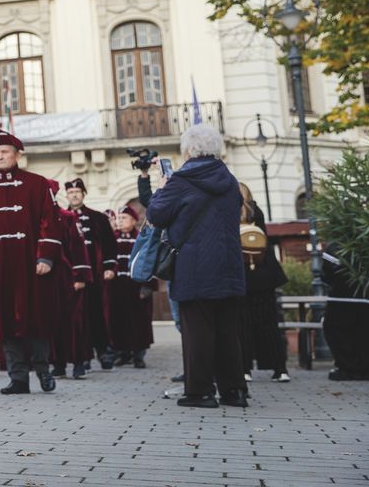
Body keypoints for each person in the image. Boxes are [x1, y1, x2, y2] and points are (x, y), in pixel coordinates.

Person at [146, 124, 246, 408]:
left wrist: (162, 189)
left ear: (188, 150)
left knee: (198, 330)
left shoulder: (181, 180)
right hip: (228, 264)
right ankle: (234, 391)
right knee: (228, 331)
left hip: (194, 266)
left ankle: (200, 392)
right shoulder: (229, 180)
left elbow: (156, 214)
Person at [0, 130, 59, 395]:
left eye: (5, 152)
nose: (0, 156)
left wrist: (46, 256)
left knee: (35, 319)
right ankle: (17, 377)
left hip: (31, 264)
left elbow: (49, 224)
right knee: (5, 321)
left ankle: (43, 371)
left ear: (17, 155)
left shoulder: (37, 184)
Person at [237, 184, 290, 383]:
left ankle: (244, 369)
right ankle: (279, 368)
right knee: (269, 324)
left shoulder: (231, 213)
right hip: (265, 274)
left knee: (242, 324)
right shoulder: (256, 211)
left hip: (242, 275)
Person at [64, 178, 117, 373]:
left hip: (96, 276)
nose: (74, 195)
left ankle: (104, 351)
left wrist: (110, 266)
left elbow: (110, 244)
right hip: (73, 278)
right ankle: (82, 355)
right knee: (78, 318)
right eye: (71, 192)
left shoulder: (98, 218)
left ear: (84, 194)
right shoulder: (61, 217)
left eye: (78, 191)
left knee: (98, 315)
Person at [48, 181, 93, 379]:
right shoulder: (36, 218)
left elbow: (78, 247)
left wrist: (80, 276)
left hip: (68, 277)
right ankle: (57, 363)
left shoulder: (68, 217)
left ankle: (78, 362)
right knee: (53, 321)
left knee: (74, 321)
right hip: (47, 280)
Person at [321, 243, 369, 381]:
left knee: (338, 333)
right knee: (366, 334)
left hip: (340, 297)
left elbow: (327, 274)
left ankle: (346, 368)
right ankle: (368, 369)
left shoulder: (334, 247)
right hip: (367, 297)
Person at [108, 205, 155, 368]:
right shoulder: (113, 238)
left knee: (139, 322)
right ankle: (123, 353)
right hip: (118, 289)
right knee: (119, 321)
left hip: (137, 289)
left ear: (134, 220)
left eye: (124, 218)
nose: (120, 221)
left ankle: (139, 355)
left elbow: (150, 261)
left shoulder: (141, 238)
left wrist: (148, 286)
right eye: (119, 218)